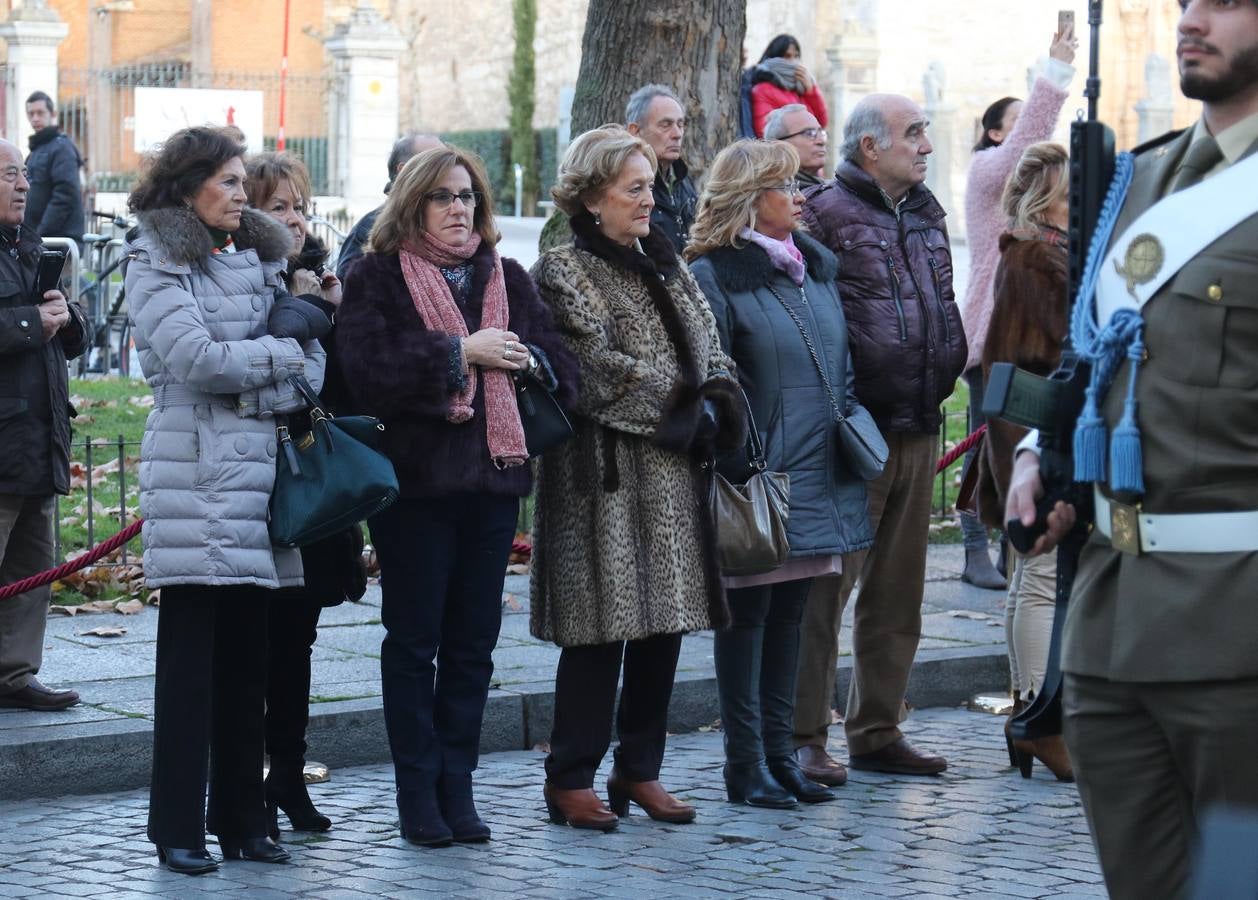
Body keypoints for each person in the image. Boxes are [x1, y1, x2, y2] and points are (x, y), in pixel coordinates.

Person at [1007, 2, 1258, 896]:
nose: (1192, 19)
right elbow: (1097, 354)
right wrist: (1041, 457)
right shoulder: (1136, 181)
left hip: (1236, 637)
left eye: (1227, 1)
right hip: (1111, 629)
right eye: (1189, 0)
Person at [336, 145, 577, 847]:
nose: (458, 209)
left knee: (474, 645)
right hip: (414, 489)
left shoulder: (507, 276)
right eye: (442, 197)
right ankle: (417, 791)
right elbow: (364, 371)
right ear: (413, 204)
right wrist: (457, 354)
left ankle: (457, 787)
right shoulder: (377, 276)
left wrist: (530, 360)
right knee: (415, 643)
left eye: (467, 196)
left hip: (494, 484)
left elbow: (564, 368)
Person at [124, 126, 328, 875]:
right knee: (189, 673)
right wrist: (277, 357)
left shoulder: (260, 257)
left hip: (261, 483)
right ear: (188, 189)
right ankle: (176, 826)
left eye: (245, 181)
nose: (245, 195)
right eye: (231, 181)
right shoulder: (154, 260)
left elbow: (314, 366)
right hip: (197, 478)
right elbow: (198, 361)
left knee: (249, 666)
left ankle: (243, 821)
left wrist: (266, 373)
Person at [530, 125, 744, 831]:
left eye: (651, 186)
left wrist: (718, 400)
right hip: (606, 483)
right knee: (598, 633)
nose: (650, 199)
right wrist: (687, 410)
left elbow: (711, 346)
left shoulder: (668, 263)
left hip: (676, 477)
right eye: (634, 188)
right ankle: (570, 777)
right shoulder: (563, 271)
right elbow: (594, 370)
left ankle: (639, 768)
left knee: (663, 631)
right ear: (593, 197)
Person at [687, 139, 872, 808]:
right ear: (747, 198)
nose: (800, 197)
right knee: (747, 622)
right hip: (758, 479)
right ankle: (745, 766)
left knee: (791, 617)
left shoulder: (812, 269)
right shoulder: (714, 273)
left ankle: (781, 755)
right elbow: (712, 379)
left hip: (817, 474)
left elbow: (839, 365)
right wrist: (741, 457)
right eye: (785, 186)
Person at [793, 93, 966, 783]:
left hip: (919, 423)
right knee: (824, 594)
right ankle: (804, 733)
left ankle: (877, 730)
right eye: (913, 133)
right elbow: (806, 319)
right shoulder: (825, 213)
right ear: (871, 147)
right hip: (852, 433)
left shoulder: (925, 212)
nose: (926, 144)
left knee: (898, 594)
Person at [244, 151, 367, 841]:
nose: (294, 220)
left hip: (312, 480)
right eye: (278, 207)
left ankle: (287, 774)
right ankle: (249, 779)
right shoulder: (241, 282)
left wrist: (335, 316)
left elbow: (341, 389)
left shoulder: (321, 279)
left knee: (299, 640)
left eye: (299, 206)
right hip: (256, 483)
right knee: (256, 643)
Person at [955, 25, 1077, 590]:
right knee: (990, 448)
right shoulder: (988, 171)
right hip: (994, 334)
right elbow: (1032, 135)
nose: (1031, 130)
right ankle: (975, 549)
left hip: (1012, 331)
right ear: (994, 133)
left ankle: (1006, 549)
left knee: (999, 448)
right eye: (1019, 123)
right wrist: (1056, 71)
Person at [971, 142, 1072, 782]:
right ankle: (1038, 717)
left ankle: (1027, 712)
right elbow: (1061, 350)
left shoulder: (1041, 253)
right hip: (1036, 434)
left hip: (1028, 432)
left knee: (1028, 576)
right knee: (1040, 575)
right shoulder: (1038, 259)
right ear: (1050, 197)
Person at [0, 138, 90, 713]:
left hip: (37, 440)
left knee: (31, 569)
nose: (23, 185)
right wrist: (34, 322)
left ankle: (13, 675)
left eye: (25, 174)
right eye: (10, 174)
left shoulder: (30, 246)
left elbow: (73, 337)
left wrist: (67, 318)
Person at [336, 132, 444, 280]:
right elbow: (347, 287)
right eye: (436, 163)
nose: (449, 168)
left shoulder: (456, 217)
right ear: (405, 171)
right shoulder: (370, 229)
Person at [625, 85, 697, 254]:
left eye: (680, 124)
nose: (677, 134)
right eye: (666, 125)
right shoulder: (624, 184)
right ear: (635, 131)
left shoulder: (684, 179)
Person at [22, 91, 84, 246]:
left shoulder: (61, 148)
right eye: (31, 114)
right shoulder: (36, 150)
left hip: (58, 241)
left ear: (53, 114)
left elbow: (65, 194)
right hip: (40, 240)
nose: (35, 118)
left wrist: (40, 233)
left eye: (40, 113)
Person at [744, 34, 829, 140]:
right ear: (775, 57)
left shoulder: (799, 88)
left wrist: (811, 91)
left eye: (796, 56)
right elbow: (765, 132)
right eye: (787, 56)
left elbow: (821, 122)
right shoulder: (762, 89)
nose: (793, 61)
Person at [764, 104, 829, 188]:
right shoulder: (771, 193)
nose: (821, 141)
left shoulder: (826, 188)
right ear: (779, 145)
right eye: (809, 133)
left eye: (821, 132)